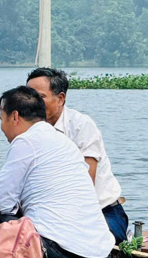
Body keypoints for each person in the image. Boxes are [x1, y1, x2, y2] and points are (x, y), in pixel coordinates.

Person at [0, 86, 114, 258]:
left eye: (1, 119)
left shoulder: (25, 141)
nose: (1, 128)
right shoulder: (65, 142)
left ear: (14, 117)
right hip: (99, 255)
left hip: (61, 254)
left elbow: (1, 203)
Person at [26, 67, 129, 242]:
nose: (32, 103)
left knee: (89, 243)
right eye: (28, 97)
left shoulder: (81, 126)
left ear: (60, 98)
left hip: (101, 212)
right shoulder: (28, 130)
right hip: (52, 214)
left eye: (40, 97)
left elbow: (86, 183)